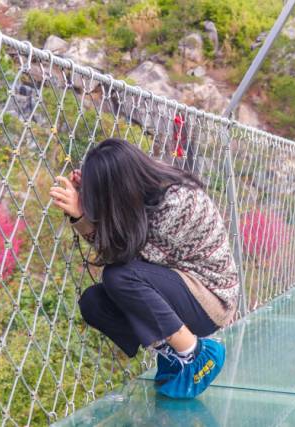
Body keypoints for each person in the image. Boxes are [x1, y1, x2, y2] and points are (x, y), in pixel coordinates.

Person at [49, 138, 239, 399]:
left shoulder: (176, 203)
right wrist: (96, 190)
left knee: (118, 276)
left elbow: (121, 256)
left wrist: (83, 215)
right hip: (178, 288)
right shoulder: (144, 189)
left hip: (211, 300)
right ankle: (173, 353)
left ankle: (196, 354)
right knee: (94, 302)